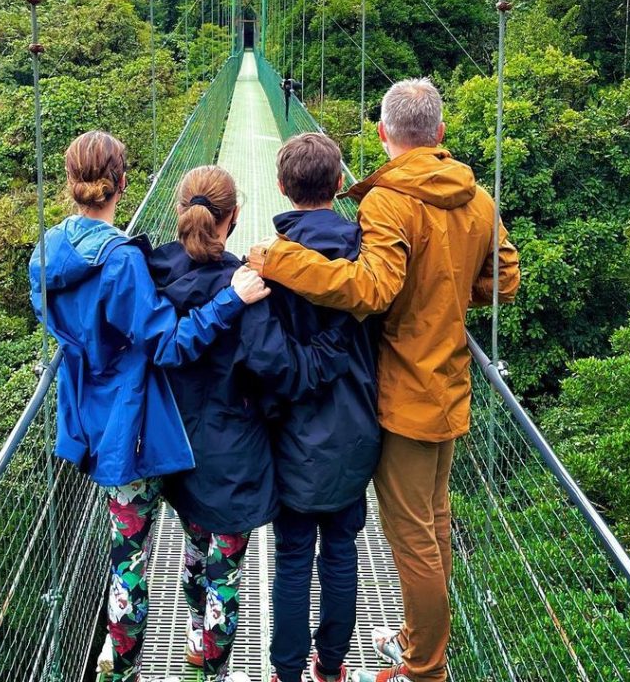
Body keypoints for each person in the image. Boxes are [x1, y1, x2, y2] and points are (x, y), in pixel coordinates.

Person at [248, 79, 520, 682]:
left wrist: (282, 258)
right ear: (440, 134)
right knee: (435, 521)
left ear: (382, 134)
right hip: (449, 382)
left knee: (412, 538)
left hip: (405, 389)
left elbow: (370, 291)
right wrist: (448, 288)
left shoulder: (387, 201)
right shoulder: (477, 198)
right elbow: (502, 279)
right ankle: (418, 640)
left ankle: (426, 666)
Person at [30, 131, 269, 682]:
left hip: (91, 420)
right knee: (177, 549)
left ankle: (121, 672)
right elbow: (170, 345)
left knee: (125, 558)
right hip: (141, 424)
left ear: (70, 184)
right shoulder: (122, 264)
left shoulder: (46, 254)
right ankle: (199, 656)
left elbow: (71, 329)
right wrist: (231, 298)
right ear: (121, 183)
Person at [147, 164, 349, 682]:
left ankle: (195, 636)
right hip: (235, 457)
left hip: (174, 447)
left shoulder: (148, 274)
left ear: (178, 212)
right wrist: (332, 348)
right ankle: (212, 666)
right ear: (235, 217)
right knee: (226, 571)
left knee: (194, 547)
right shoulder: (249, 288)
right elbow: (276, 371)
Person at [265, 133, 381, 682]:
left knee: (292, 556)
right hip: (357, 425)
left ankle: (286, 671)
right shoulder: (370, 254)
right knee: (341, 549)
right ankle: (330, 666)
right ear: (340, 184)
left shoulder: (270, 265)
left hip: (291, 430)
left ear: (283, 189)